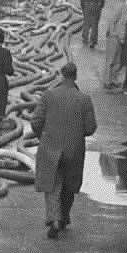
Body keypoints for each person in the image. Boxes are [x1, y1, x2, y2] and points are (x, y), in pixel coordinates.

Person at [31, 61, 96, 239]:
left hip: (51, 147)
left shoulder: (48, 95)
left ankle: (54, 219)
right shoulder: (84, 99)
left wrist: (42, 137)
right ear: (75, 76)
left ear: (61, 75)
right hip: (74, 150)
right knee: (69, 185)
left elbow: (36, 121)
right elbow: (91, 128)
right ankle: (64, 216)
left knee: (52, 184)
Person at [98, 0, 127, 90]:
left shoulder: (122, 5)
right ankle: (107, 81)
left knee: (117, 61)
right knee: (111, 60)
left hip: (118, 36)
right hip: (115, 36)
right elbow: (113, 20)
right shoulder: (121, 6)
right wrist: (112, 33)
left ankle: (112, 80)